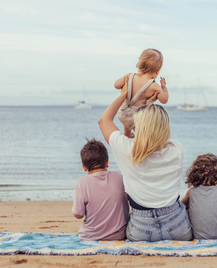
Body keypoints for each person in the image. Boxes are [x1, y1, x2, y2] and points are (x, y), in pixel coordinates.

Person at [98, 81, 192, 242]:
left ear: (139, 126)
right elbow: (152, 138)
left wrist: (123, 97)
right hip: (178, 228)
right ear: (165, 126)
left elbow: (104, 121)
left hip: (141, 230)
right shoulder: (177, 149)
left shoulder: (128, 149)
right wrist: (149, 107)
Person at [72, 138, 129, 241]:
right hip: (119, 236)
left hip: (90, 237)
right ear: (107, 163)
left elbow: (78, 215)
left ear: (84, 167)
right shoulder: (118, 177)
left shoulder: (82, 182)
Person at [114, 48, 169, 138]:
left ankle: (127, 133)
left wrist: (123, 85)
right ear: (158, 71)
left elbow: (116, 85)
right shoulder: (154, 86)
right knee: (142, 134)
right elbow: (164, 100)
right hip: (137, 118)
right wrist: (163, 86)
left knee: (128, 109)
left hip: (122, 112)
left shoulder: (129, 76)